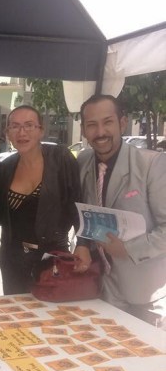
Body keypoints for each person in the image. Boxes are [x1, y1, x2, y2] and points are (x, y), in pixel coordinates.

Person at [74, 94, 166, 327]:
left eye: (107, 122)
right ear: (83, 130)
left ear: (122, 123)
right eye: (92, 125)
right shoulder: (83, 161)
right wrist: (82, 244)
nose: (100, 132)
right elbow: (83, 211)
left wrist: (127, 249)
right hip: (104, 288)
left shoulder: (152, 164)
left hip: (147, 294)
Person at [0, 105, 85, 294]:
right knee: (16, 310)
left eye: (29, 125)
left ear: (41, 130)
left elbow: (78, 204)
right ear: (8, 133)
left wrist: (83, 243)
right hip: (13, 261)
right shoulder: (5, 168)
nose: (22, 132)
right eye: (15, 126)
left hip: (53, 257)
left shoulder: (60, 158)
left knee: (53, 310)